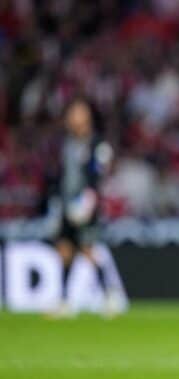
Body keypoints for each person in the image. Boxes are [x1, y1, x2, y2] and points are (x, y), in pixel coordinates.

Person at [51, 97, 115, 318]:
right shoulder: (67, 144)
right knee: (65, 250)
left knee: (87, 250)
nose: (73, 116)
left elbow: (98, 174)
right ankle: (64, 300)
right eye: (72, 112)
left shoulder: (97, 144)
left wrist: (88, 202)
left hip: (86, 206)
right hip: (67, 205)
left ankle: (109, 294)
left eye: (78, 112)